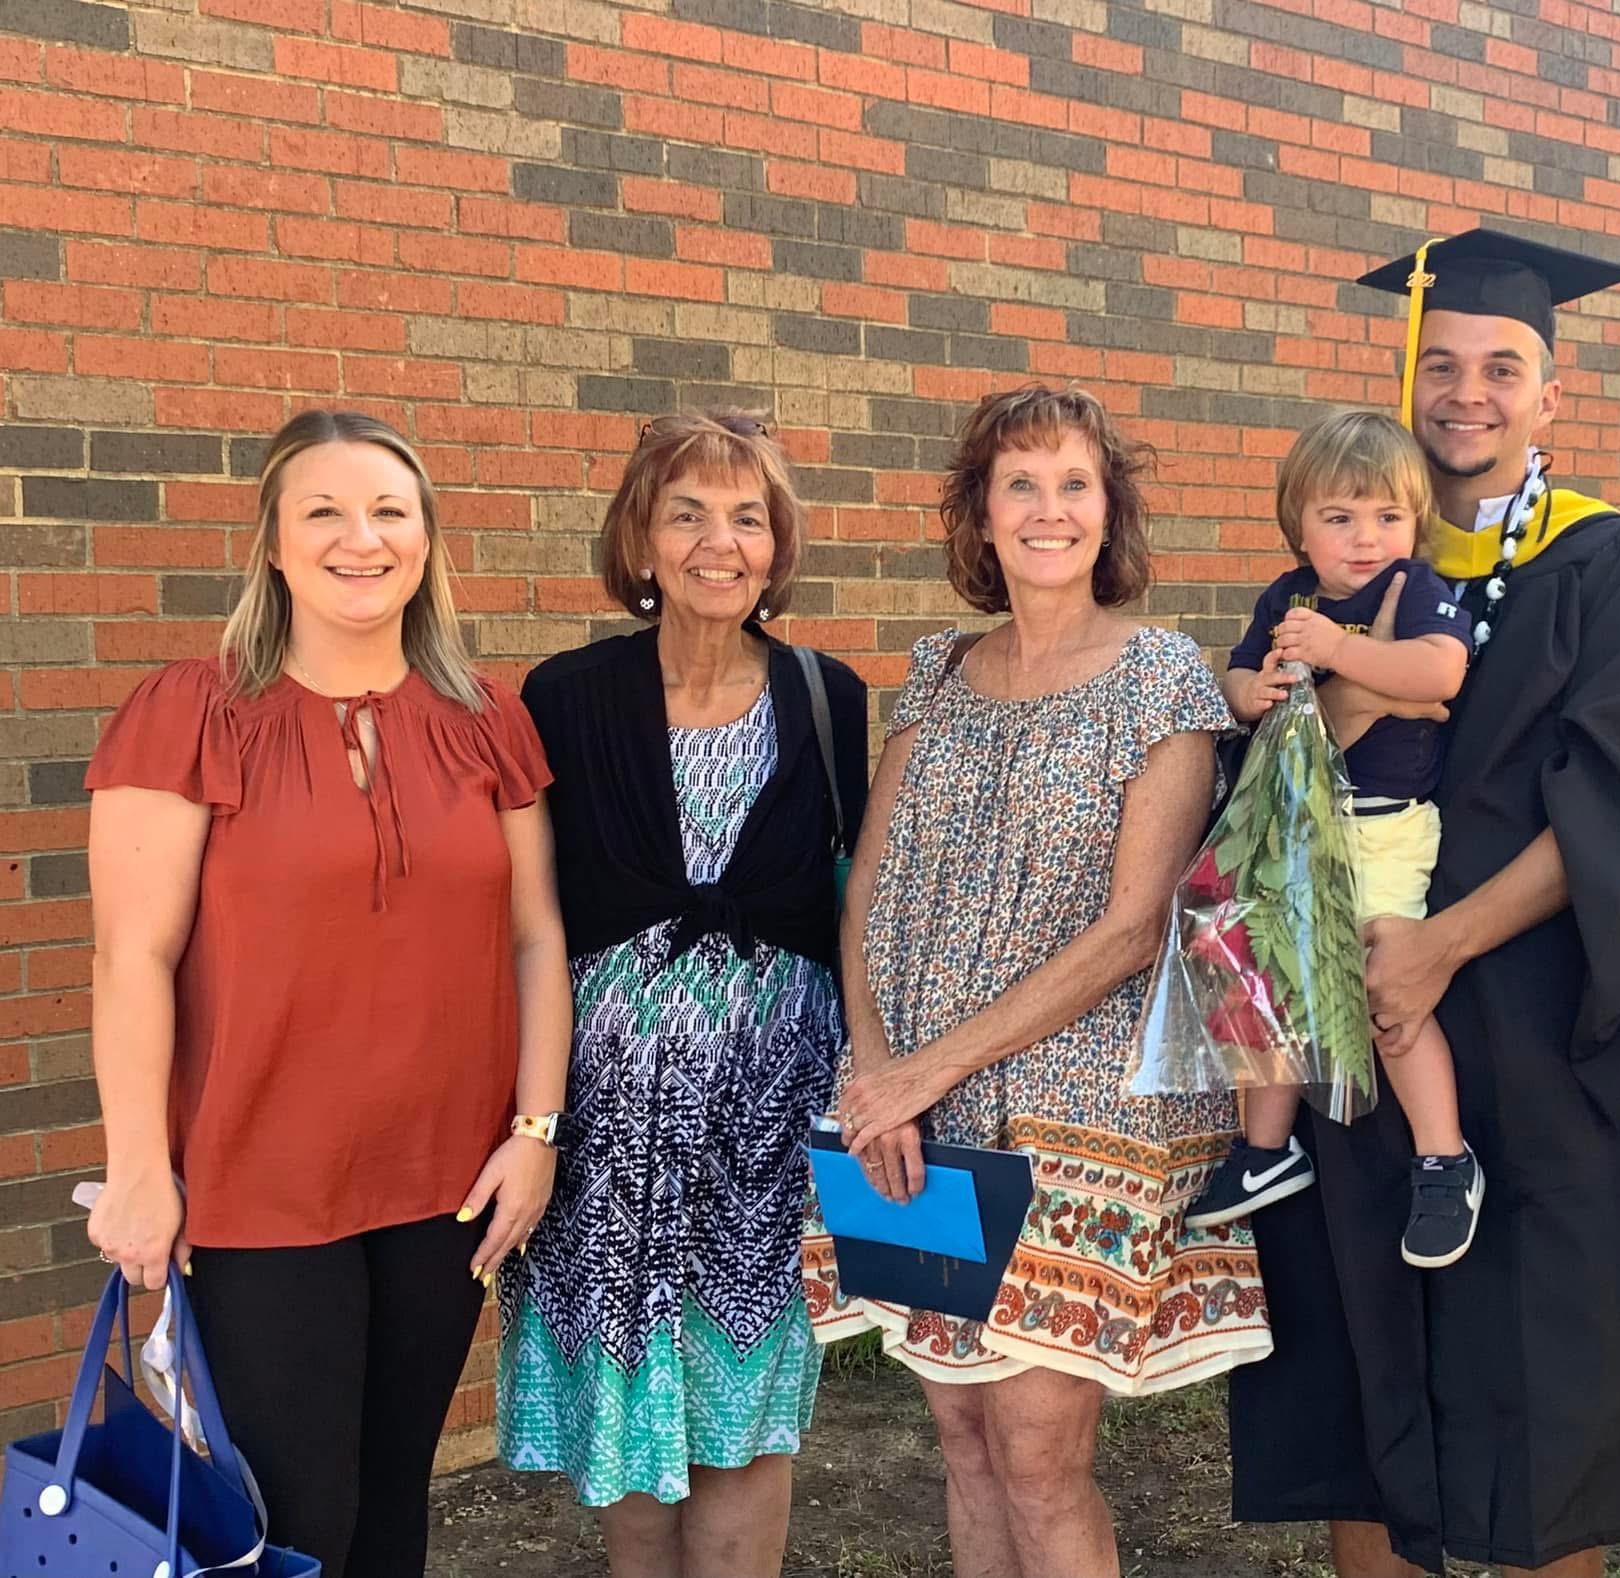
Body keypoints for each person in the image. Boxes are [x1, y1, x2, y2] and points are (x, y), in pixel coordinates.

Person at [1229, 229, 1620, 1577]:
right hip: (1357, 1027)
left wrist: (1442, 944)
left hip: (1548, 1038)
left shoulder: (1617, 560)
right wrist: (1340, 664)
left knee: (1551, 1404)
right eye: (1441, 364)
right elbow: (1268, 776)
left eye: (1502, 366)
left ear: (1551, 393)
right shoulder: (1351, 570)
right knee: (1360, 1367)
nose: (1468, 391)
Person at [82, 409, 569, 1578]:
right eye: (325, 512)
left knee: (395, 1504)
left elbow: (534, 938)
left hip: (442, 1186)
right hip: (257, 1189)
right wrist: (142, 1167)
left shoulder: (484, 719)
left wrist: (536, 1131)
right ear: (275, 545)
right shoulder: (188, 714)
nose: (363, 538)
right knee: (296, 1523)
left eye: (390, 511)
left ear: (426, 539)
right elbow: (130, 958)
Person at [803, 384, 1271, 1577]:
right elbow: (865, 888)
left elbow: (1130, 929)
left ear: (1107, 514)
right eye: (1020, 483)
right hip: (914, 1104)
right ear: (980, 511)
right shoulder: (938, 670)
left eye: (1073, 484)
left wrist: (923, 1069)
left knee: (1035, 1452)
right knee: (959, 1433)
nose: (1047, 508)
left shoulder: (1159, 676)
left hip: (1079, 1101)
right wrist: (874, 1073)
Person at [496, 410, 867, 1578]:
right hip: (607, 1127)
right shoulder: (561, 697)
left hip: (768, 1127)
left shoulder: (829, 694)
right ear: (641, 542)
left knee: (749, 1409)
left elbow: (854, 897)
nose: (720, 543)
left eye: (747, 518)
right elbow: (524, 919)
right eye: (688, 514)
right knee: (630, 1405)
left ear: (777, 544)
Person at [1186, 410, 1481, 1273]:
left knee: (1391, 983)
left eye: (1387, 517)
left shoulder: (1416, 589)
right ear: (1299, 526)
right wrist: (1256, 689)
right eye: (1340, 518)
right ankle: (1267, 1150)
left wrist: (1341, 652)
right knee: (1270, 977)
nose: (1366, 538)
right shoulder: (1286, 597)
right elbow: (1237, 676)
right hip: (1299, 817)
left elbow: (1439, 674)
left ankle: (1444, 1158)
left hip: (1386, 826)